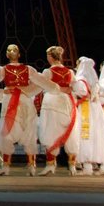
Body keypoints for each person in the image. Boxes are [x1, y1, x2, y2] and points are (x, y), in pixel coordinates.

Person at [0, 43, 58, 176]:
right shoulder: (28, 69)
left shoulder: (4, 70)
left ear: (7, 55)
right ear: (19, 55)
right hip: (24, 100)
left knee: (7, 132)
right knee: (28, 130)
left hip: (10, 101)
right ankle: (31, 165)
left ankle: (6, 166)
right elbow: (42, 82)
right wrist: (30, 90)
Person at [37, 45, 79, 176]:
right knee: (69, 130)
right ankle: (72, 165)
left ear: (50, 57)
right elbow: (75, 87)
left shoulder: (47, 72)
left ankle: (50, 164)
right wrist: (65, 89)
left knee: (50, 130)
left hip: (52, 101)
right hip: (66, 101)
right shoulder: (70, 72)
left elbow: (42, 86)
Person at [72, 56, 104, 176]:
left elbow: (80, 93)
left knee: (84, 135)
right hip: (96, 109)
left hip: (85, 109)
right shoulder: (95, 82)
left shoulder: (81, 80)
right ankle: (93, 165)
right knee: (95, 134)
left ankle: (87, 166)